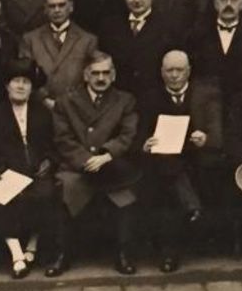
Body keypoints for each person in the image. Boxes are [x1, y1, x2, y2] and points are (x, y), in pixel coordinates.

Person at [48, 51, 143, 275]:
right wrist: (86, 159)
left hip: (110, 166)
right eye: (95, 73)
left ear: (114, 75)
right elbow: (63, 139)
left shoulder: (125, 100)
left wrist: (107, 155)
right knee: (66, 189)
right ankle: (62, 254)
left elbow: (128, 135)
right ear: (85, 75)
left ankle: (123, 253)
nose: (101, 78)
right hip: (77, 166)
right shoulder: (66, 102)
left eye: (106, 73)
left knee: (125, 196)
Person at [137, 49, 223, 272]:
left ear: (189, 72)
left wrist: (205, 138)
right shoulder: (150, 97)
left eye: (179, 70)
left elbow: (218, 133)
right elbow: (139, 133)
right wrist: (145, 144)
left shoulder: (206, 95)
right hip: (162, 161)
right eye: (169, 70)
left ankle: (170, 252)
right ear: (161, 72)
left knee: (170, 179)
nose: (174, 75)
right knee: (167, 172)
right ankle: (191, 207)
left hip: (196, 159)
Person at [0, 60, 62, 277]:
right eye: (16, 82)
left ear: (32, 87)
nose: (21, 86)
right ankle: (17, 254)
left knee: (46, 194)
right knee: (2, 198)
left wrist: (49, 162)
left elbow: (53, 145)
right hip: (7, 171)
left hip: (35, 171)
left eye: (26, 82)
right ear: (7, 86)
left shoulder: (42, 113)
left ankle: (32, 247)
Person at [22, 0, 98, 109]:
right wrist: (44, 99)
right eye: (52, 6)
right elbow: (26, 76)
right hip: (40, 108)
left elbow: (91, 78)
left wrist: (69, 102)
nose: (57, 10)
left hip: (76, 109)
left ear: (71, 7)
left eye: (61, 5)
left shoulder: (88, 40)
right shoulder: (30, 39)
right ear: (45, 9)